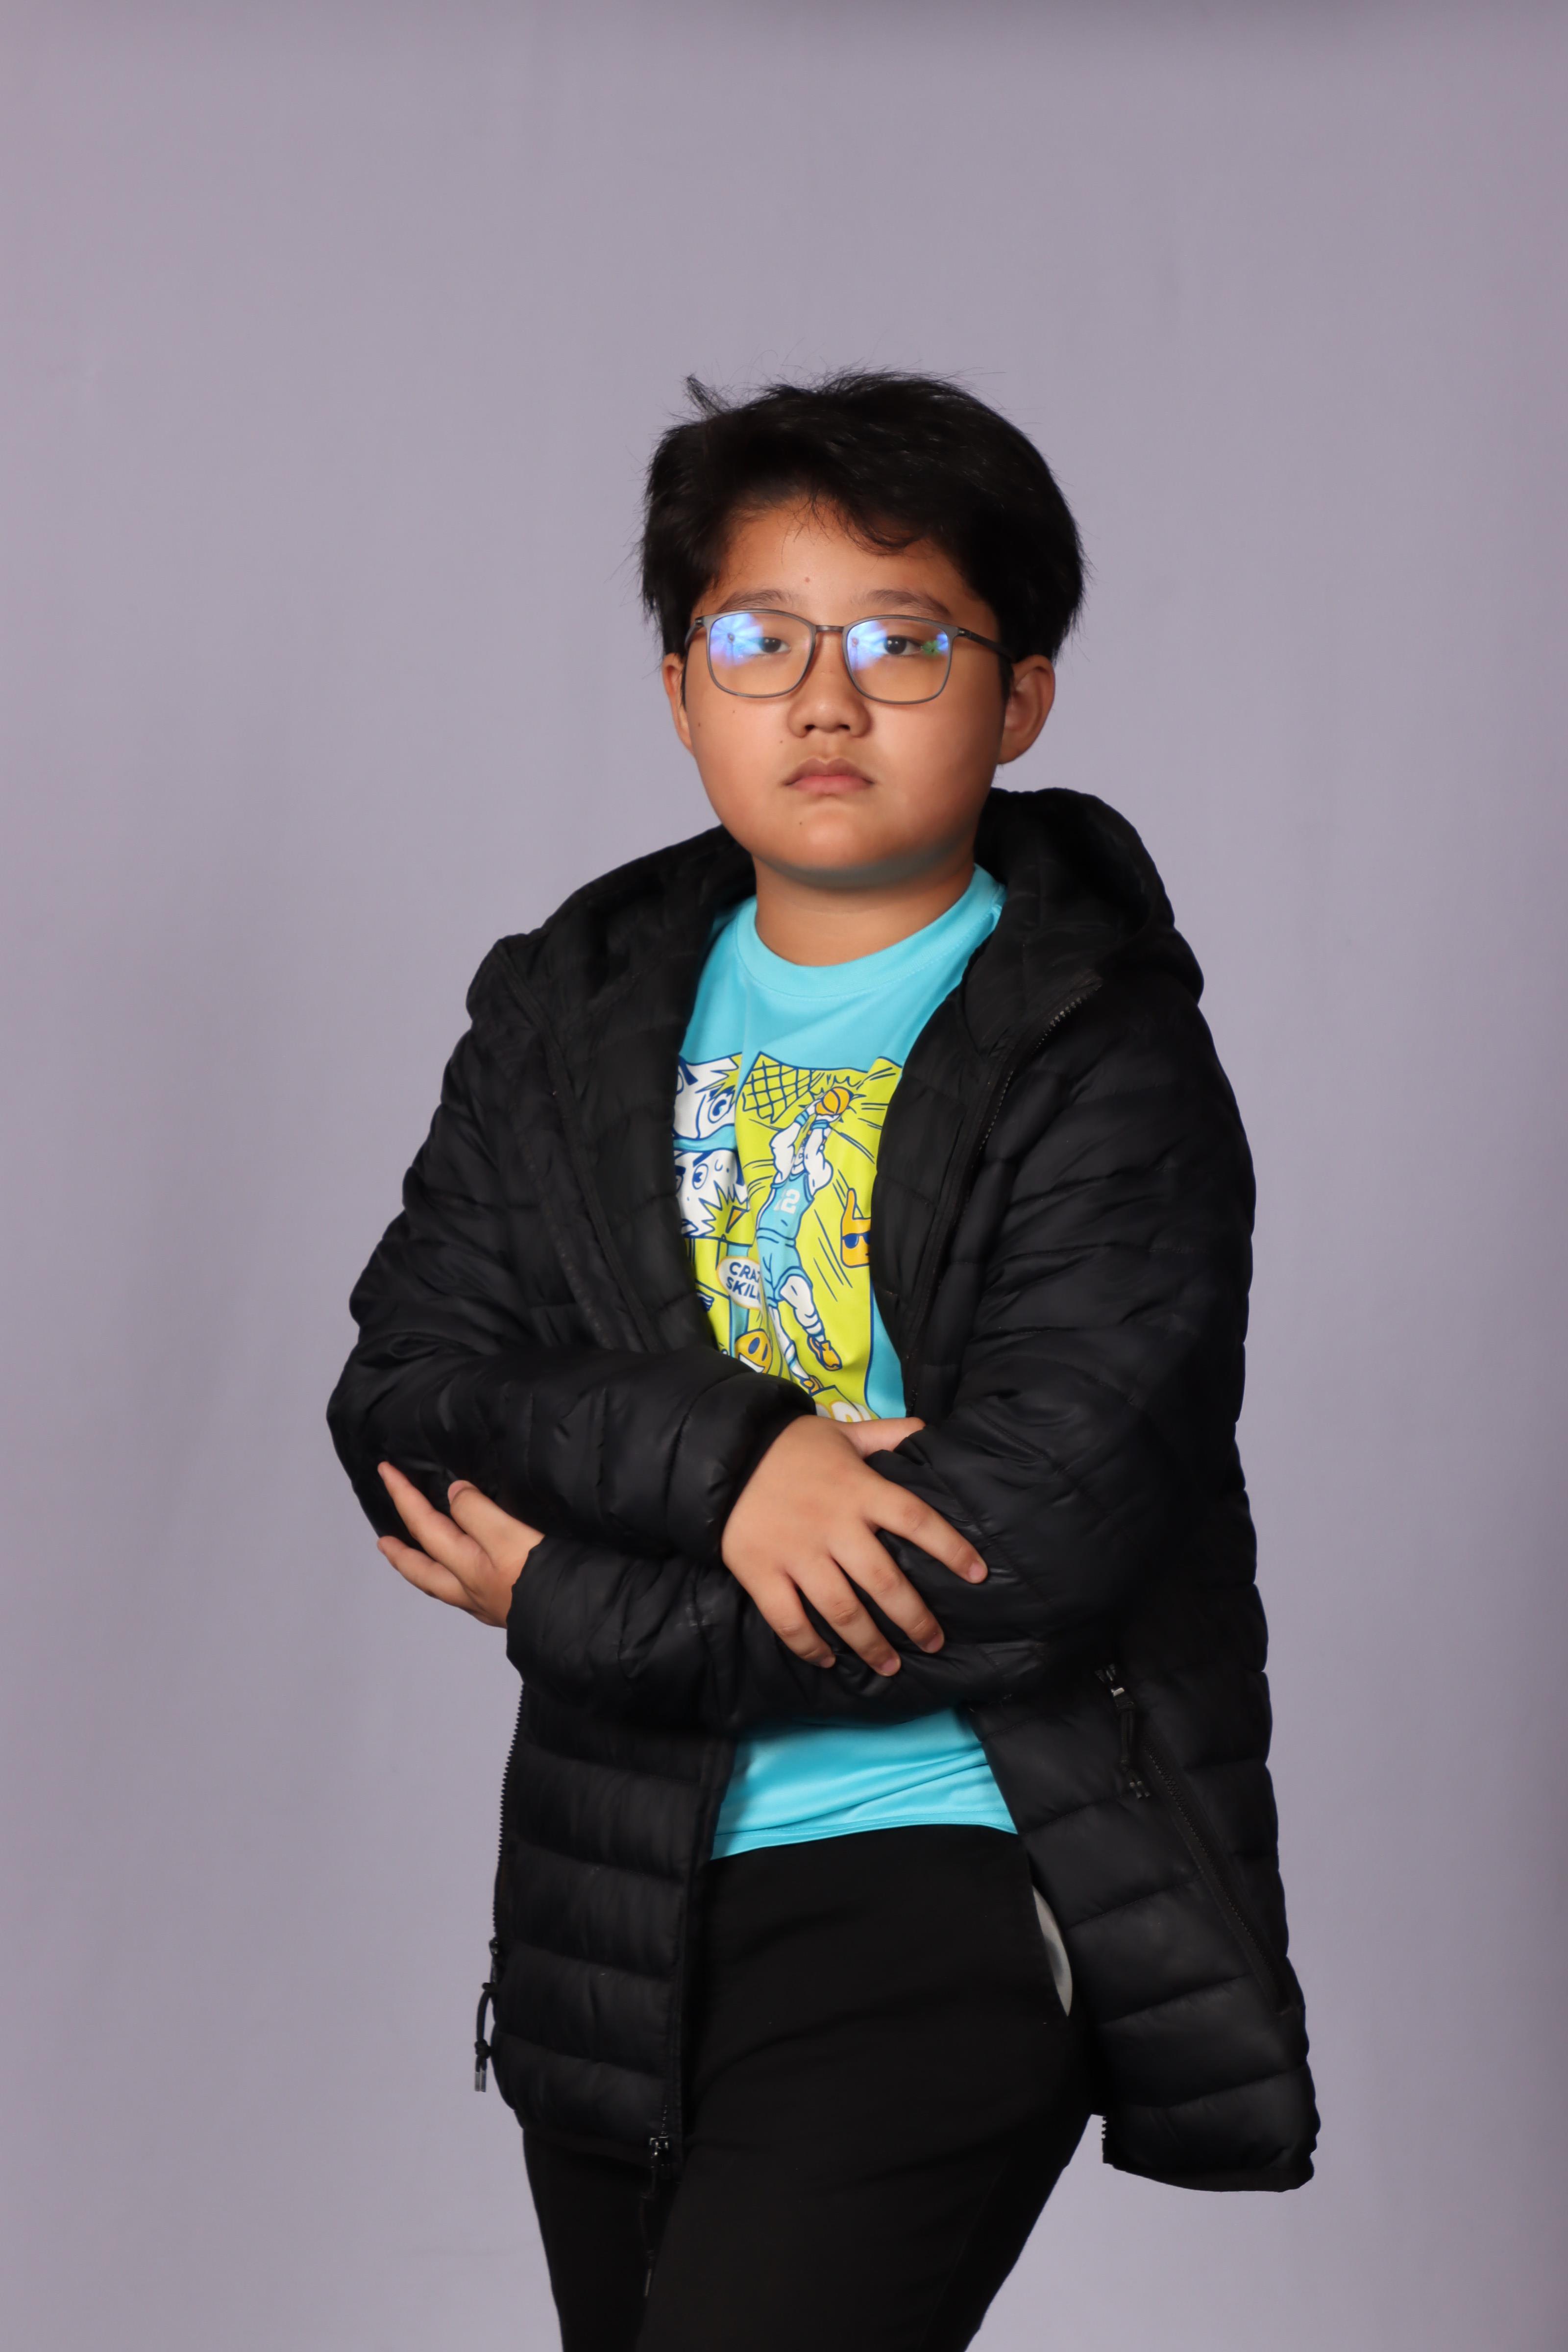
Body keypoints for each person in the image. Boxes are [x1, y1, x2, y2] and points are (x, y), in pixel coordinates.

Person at [327, 371, 1318, 2352]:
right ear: (679, 689)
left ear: (1018, 698)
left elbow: (1018, 1553)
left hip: (946, 1870)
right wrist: (741, 1464)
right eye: (759, 641)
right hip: (615, 1893)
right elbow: (413, 1404)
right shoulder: (563, 1014)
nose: (826, 701)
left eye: (903, 642)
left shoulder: (1103, 1049)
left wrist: (569, 1596)